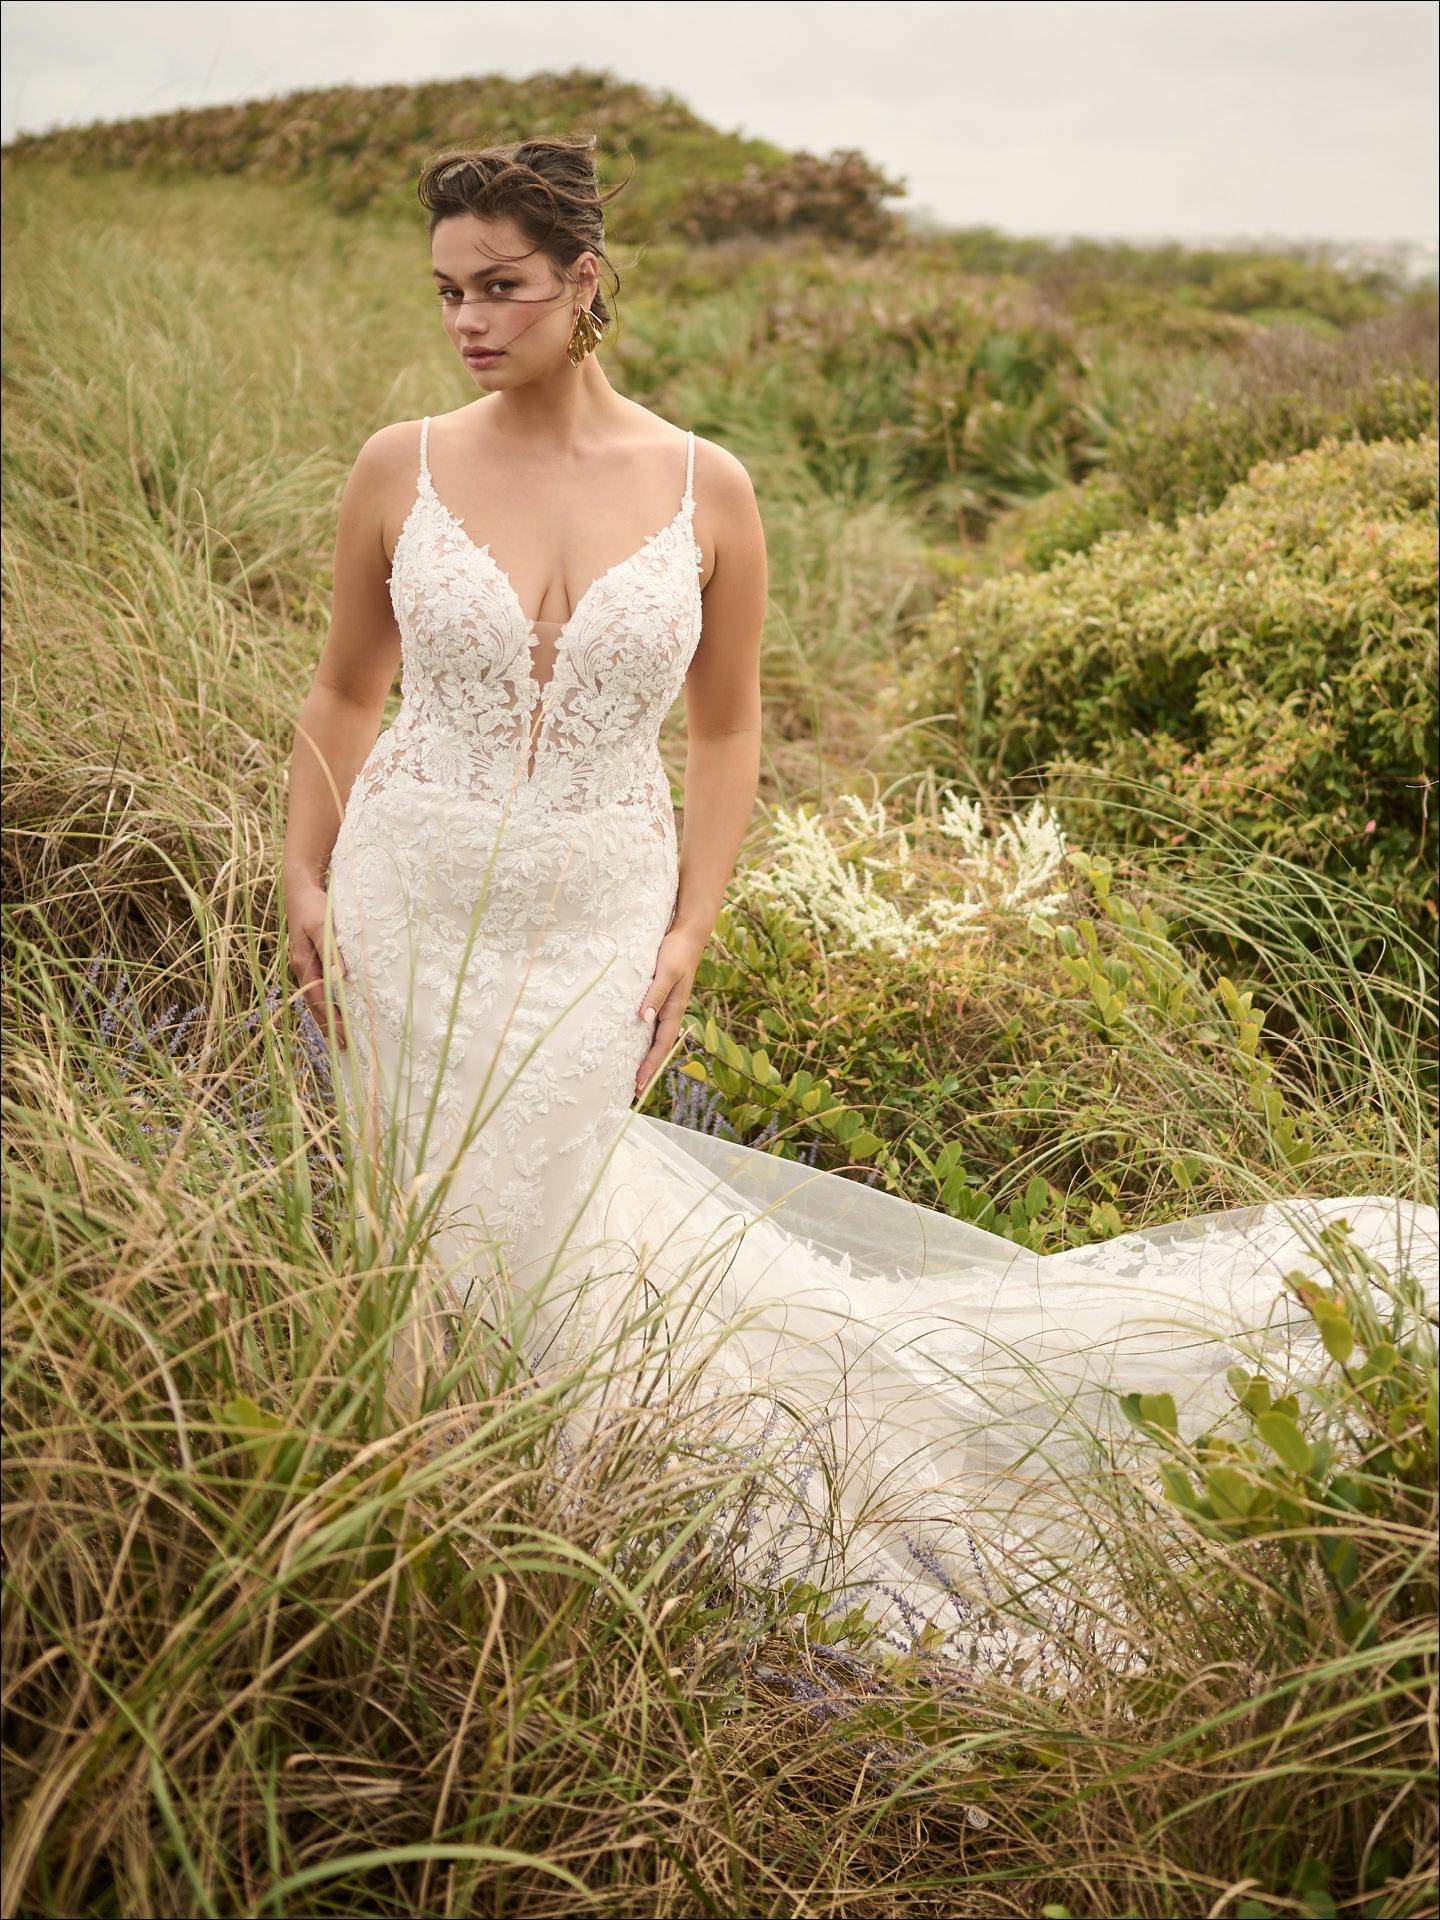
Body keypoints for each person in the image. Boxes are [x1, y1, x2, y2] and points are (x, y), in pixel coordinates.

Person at [282, 137, 1437, 1671]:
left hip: (594, 915)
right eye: (447, 294)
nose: (470, 323)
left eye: (500, 288)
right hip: (405, 897)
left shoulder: (708, 488)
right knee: (421, 1219)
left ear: (585, 282)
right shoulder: (399, 463)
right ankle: (440, 1525)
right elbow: (348, 688)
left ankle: (582, 1501)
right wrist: (300, 870)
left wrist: (693, 926)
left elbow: (727, 727)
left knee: (556, 1204)